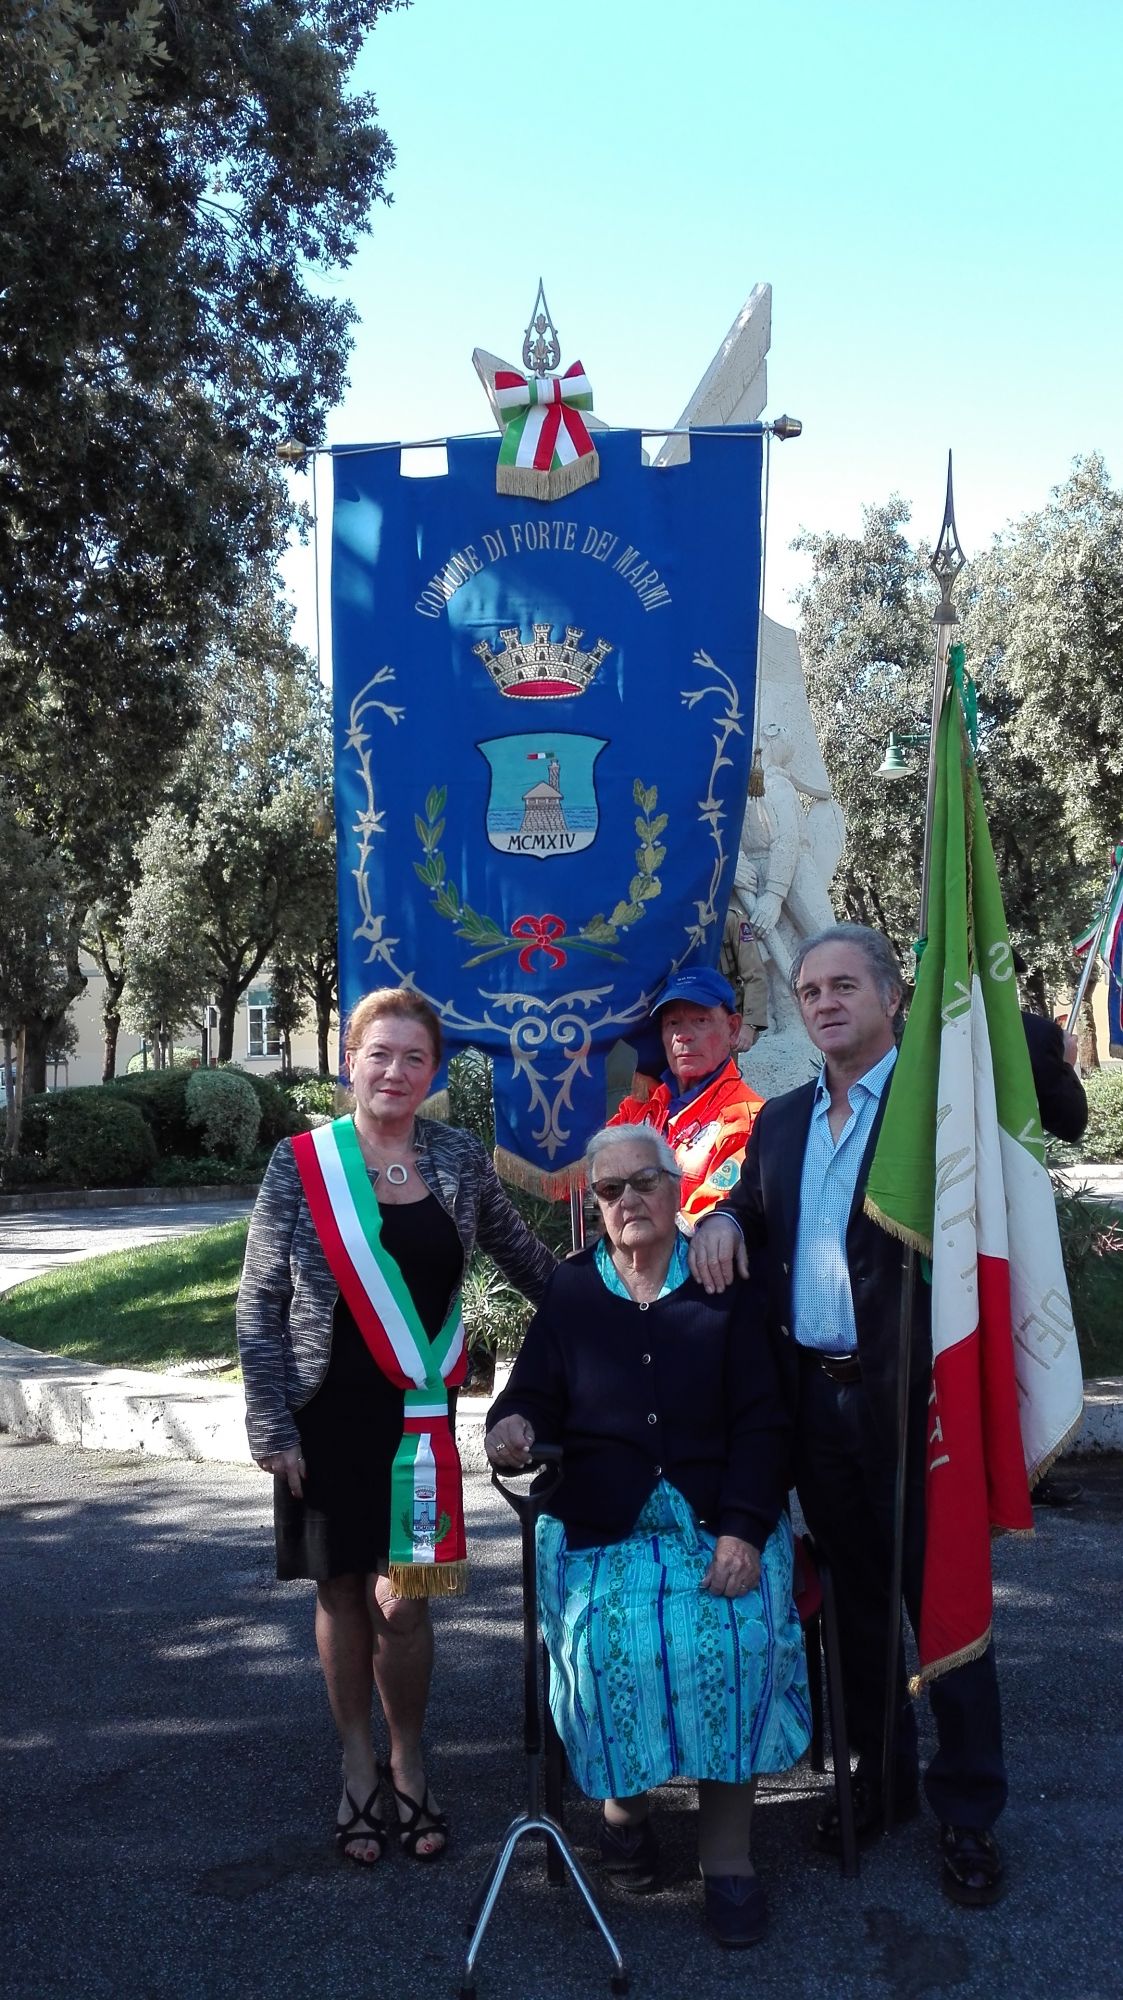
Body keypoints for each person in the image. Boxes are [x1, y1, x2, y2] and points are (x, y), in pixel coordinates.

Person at [690, 924, 1008, 1909]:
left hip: (914, 1403)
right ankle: (881, 1783)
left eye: (843, 985)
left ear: (889, 994)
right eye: (810, 988)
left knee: (942, 1601)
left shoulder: (932, 1115)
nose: (824, 1001)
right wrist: (724, 1219)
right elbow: (750, 1201)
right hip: (813, 1403)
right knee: (859, 1607)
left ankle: (966, 1813)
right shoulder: (782, 1121)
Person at [237, 988, 557, 1867]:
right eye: (380, 1053)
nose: (396, 1071)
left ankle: (410, 1755)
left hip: (414, 1417)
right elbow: (261, 1300)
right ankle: (355, 1762)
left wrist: (612, 1303)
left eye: (415, 1057)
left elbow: (522, 1259)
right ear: (351, 1061)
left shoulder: (456, 1158)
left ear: (433, 1071)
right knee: (339, 1589)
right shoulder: (300, 1164)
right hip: (319, 1412)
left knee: (404, 1603)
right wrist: (270, 1422)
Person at [485, 1124, 810, 1949]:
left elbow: (765, 1422)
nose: (627, 1201)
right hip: (606, 1526)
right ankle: (622, 1808)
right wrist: (512, 1427)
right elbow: (525, 1399)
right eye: (608, 1190)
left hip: (716, 1519)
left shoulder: (719, 1284)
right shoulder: (570, 1292)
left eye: (643, 1183)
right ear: (593, 1206)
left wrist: (743, 1530)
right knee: (609, 1640)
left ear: (674, 1189)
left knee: (729, 1637)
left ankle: (726, 1856)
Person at [609, 966, 764, 1226]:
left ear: (733, 1029)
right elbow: (586, 1180)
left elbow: (705, 1220)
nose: (683, 1035)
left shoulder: (748, 1119)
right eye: (672, 1023)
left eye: (700, 1020)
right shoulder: (639, 1107)